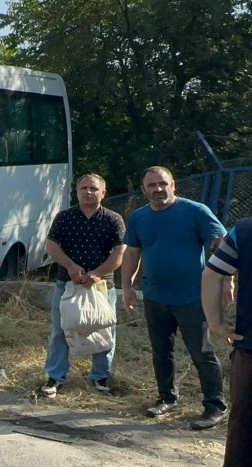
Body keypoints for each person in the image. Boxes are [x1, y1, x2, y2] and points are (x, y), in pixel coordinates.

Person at [121, 166, 228, 430]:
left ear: (173, 184)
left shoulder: (195, 211)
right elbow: (132, 253)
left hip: (192, 297)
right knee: (161, 351)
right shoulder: (139, 217)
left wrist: (228, 280)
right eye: (152, 185)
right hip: (155, 296)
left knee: (201, 352)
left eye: (162, 183)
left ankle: (215, 406)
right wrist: (127, 286)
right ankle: (166, 398)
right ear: (144, 189)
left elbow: (223, 244)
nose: (158, 189)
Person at [40, 173, 126, 397]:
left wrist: (98, 273)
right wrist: (70, 265)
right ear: (76, 192)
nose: (88, 192)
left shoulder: (113, 219)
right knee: (60, 331)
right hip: (68, 284)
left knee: (104, 330)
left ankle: (101, 377)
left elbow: (119, 253)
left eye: (94, 188)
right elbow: (51, 246)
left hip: (101, 286)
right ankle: (55, 377)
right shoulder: (64, 217)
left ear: (103, 193)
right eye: (84, 188)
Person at [202, 218, 251, 465]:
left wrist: (216, 323)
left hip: (250, 349)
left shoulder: (245, 230)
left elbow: (212, 273)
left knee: (245, 427)